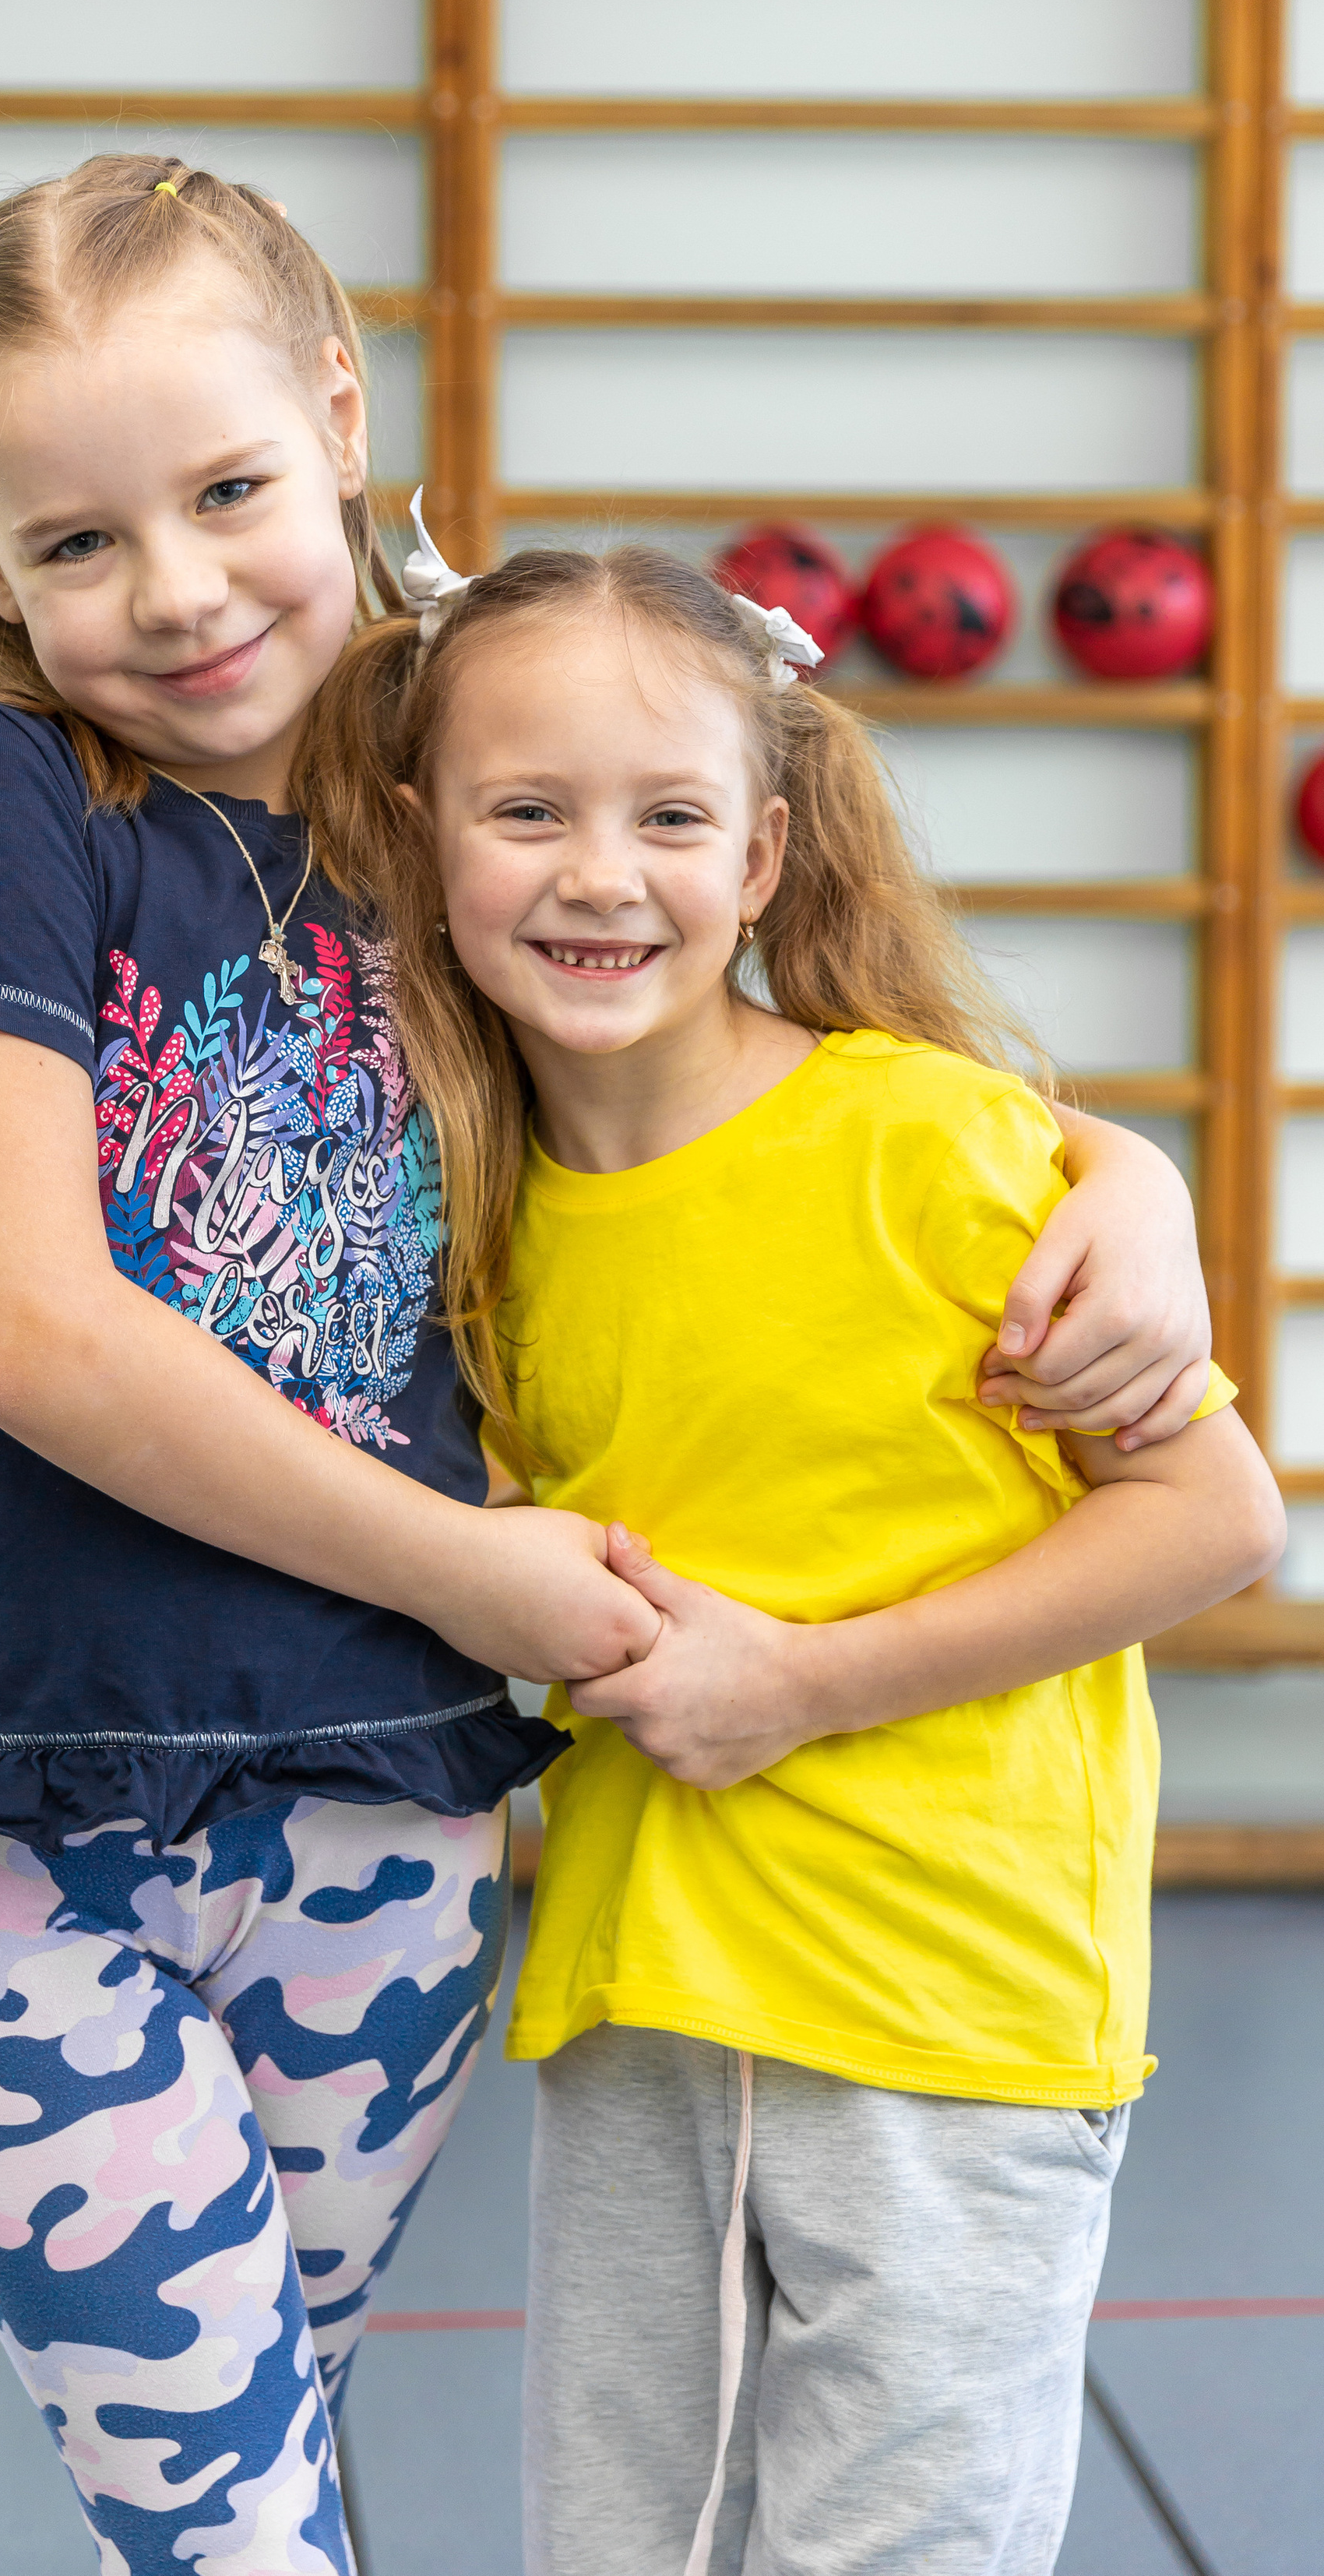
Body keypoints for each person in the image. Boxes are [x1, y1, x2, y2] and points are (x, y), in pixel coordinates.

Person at [0, 157, 1217, 2576]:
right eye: (81, 540)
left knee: (284, 2468)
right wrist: (486, 1574)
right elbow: (29, 1333)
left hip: (383, 1821)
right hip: (24, 1807)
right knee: (227, 2529)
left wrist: (1116, 1182)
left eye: (227, 492)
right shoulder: (1, 792)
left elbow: (760, 1067)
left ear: (341, 417)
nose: (183, 587)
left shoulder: (439, 809)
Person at [310, 530, 1284, 2576]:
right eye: (529, 812)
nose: (601, 873)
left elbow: (1214, 1515)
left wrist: (803, 1685)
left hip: (944, 2007)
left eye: (669, 817)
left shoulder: (923, 1141)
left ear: (759, 859)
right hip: (645, 1996)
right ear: (427, 839)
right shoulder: (464, 1219)